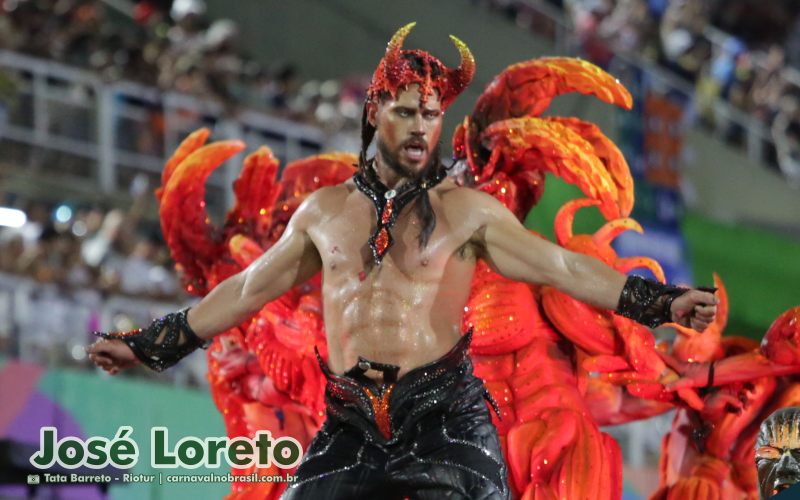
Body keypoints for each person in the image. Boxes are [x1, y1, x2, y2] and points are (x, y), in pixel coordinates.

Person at [87, 24, 718, 500]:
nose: (421, 126)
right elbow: (247, 290)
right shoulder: (323, 213)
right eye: (406, 110)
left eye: (432, 113)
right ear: (374, 112)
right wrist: (149, 345)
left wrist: (660, 303)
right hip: (350, 422)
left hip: (444, 417)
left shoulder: (465, 212)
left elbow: (565, 269)